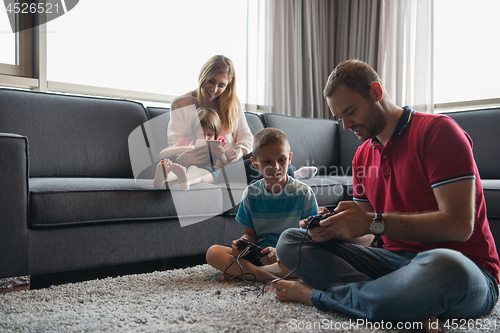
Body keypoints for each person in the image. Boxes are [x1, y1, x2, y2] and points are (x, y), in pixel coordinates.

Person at [271, 60, 499, 332]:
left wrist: (372, 221)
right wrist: (338, 228)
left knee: (446, 265)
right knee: (291, 242)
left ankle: (316, 296)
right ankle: (400, 302)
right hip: (391, 263)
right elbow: (368, 236)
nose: (345, 125)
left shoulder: (439, 133)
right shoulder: (362, 156)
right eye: (339, 117)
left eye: (351, 111)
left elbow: (460, 226)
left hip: (462, 269)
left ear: (376, 92)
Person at [167, 54, 315, 184]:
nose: (214, 89)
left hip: (232, 163)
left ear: (228, 86)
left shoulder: (231, 103)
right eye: (211, 81)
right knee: (255, 169)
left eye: (221, 85)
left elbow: (247, 140)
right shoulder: (181, 104)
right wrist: (183, 159)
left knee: (268, 158)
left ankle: (292, 179)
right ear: (203, 76)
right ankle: (293, 176)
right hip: (205, 167)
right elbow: (174, 146)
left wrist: (238, 152)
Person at [206, 128, 319, 282]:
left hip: (290, 255)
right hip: (260, 256)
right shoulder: (251, 193)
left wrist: (279, 253)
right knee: (213, 253)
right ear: (255, 163)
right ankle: (267, 276)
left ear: (290, 158)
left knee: (312, 259)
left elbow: (310, 238)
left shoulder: (304, 193)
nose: (276, 167)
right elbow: (250, 235)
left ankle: (245, 273)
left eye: (281, 160)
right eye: (267, 161)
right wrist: (243, 244)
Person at [153, 107, 229, 191]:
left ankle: (186, 181)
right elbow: (162, 154)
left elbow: (227, 164)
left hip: (210, 172)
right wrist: (188, 147)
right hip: (185, 168)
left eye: (210, 135)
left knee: (194, 170)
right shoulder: (188, 141)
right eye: (201, 134)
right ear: (195, 131)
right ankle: (164, 177)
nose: (205, 138)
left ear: (216, 134)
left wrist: (221, 155)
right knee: (181, 170)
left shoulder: (221, 142)